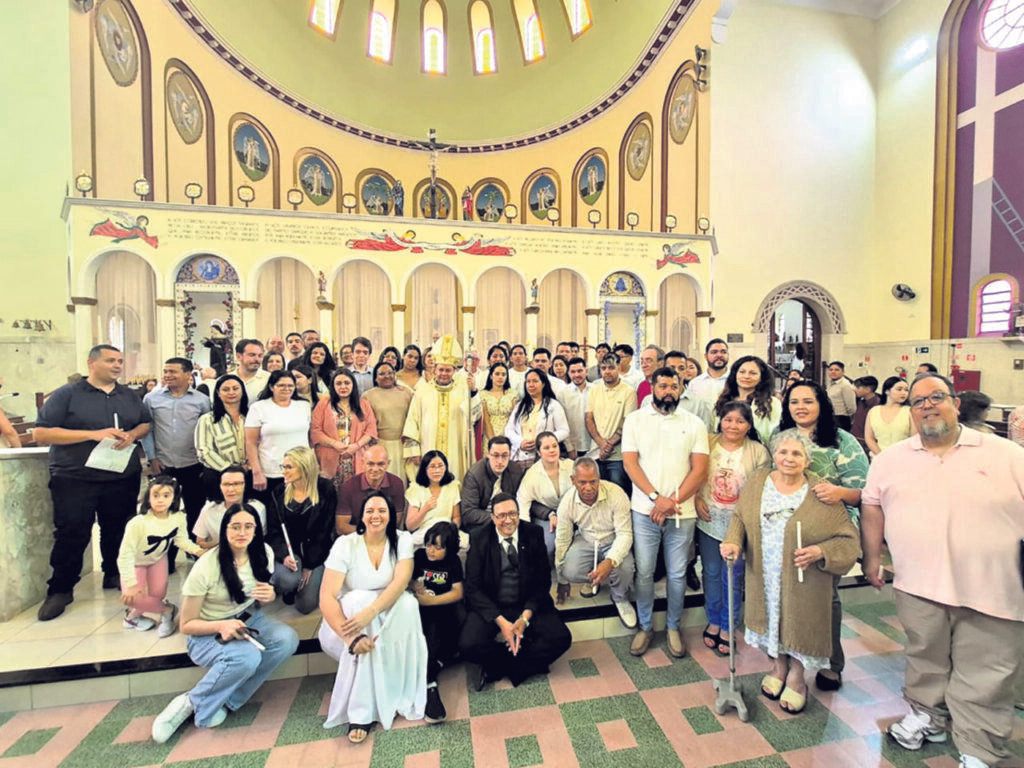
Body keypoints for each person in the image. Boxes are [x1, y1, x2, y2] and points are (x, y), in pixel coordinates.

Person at [861, 373, 1024, 768]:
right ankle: (927, 715)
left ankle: (979, 748)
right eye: (918, 402)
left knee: (987, 669)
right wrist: (871, 558)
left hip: (995, 585)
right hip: (919, 583)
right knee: (925, 655)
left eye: (937, 397)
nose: (928, 406)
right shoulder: (891, 460)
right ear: (911, 412)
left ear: (956, 403)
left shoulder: (1006, 454)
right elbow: (871, 507)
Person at [720, 430, 860, 715]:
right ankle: (778, 666)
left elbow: (847, 540)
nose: (789, 459)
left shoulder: (820, 492)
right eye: (783, 452)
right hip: (765, 570)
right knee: (771, 618)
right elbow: (740, 517)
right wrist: (733, 540)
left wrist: (820, 552)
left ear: (807, 461)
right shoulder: (759, 481)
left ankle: (797, 678)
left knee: (799, 622)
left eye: (797, 454)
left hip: (803, 577)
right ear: (774, 455)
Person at [151, 504, 299, 743]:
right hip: (207, 630)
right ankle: (189, 703)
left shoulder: (264, 553)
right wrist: (221, 626)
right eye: (235, 527)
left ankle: (229, 700)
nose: (242, 532)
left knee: (286, 639)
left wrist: (270, 595)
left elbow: (257, 596)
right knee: (247, 657)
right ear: (224, 529)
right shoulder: (206, 567)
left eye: (248, 527)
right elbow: (186, 624)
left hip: (248, 619)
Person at [35, 344, 151, 620]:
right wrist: (92, 434)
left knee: (119, 528)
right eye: (111, 360)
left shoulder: (129, 396)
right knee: (72, 532)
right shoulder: (68, 394)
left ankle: (113, 573)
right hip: (76, 477)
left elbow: (145, 424)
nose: (117, 365)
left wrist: (132, 435)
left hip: (120, 475)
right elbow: (41, 433)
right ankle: (61, 589)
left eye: (120, 361)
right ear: (92, 363)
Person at [777, 380, 869, 691]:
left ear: (821, 405)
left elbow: (864, 492)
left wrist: (839, 491)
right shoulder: (780, 438)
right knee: (787, 597)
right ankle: (790, 657)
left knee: (824, 600)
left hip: (827, 532)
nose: (800, 407)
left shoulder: (841, 441)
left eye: (808, 401)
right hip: (786, 532)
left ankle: (831, 662)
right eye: (794, 402)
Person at [318, 492, 428, 742]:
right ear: (361, 516)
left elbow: (401, 582)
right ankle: (361, 712)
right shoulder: (345, 545)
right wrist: (351, 638)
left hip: (382, 616)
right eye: (370, 511)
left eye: (382, 510)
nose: (376, 515)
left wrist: (372, 611)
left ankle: (396, 693)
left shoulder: (402, 540)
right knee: (358, 600)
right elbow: (326, 596)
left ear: (391, 516)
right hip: (348, 625)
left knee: (409, 604)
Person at [622, 366, 709, 658]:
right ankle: (645, 627)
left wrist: (672, 501)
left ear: (681, 388)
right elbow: (630, 464)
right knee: (644, 572)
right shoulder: (635, 421)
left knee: (676, 573)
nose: (668, 391)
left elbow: (699, 469)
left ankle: (673, 627)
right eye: (663, 386)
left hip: (681, 513)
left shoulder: (694, 423)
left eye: (674, 386)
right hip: (644, 510)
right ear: (652, 387)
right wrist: (656, 498)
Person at [458, 493, 572, 689]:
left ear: (519, 514)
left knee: (561, 638)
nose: (508, 520)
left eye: (512, 514)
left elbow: (543, 581)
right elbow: (473, 588)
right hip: (493, 605)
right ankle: (520, 665)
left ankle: (499, 668)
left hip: (526, 602)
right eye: (501, 516)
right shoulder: (479, 538)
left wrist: (525, 618)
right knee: (468, 645)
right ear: (493, 518)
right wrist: (501, 622)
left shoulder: (533, 533)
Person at [695, 401, 770, 657]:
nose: (733, 426)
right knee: (712, 572)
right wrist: (696, 498)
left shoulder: (758, 451)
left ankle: (728, 625)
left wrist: (744, 517)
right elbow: (692, 473)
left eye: (740, 421)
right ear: (720, 421)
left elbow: (761, 489)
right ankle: (713, 620)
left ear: (749, 425)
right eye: (728, 420)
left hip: (739, 524)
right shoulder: (707, 442)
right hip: (708, 519)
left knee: (734, 575)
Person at [553, 457, 636, 627]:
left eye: (593, 481)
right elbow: (562, 540)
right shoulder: (567, 503)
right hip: (587, 540)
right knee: (569, 570)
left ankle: (620, 597)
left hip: (613, 540)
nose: (589, 487)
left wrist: (610, 561)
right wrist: (562, 579)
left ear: (599, 478)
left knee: (626, 568)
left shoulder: (617, 494)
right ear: (573, 481)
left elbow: (625, 534)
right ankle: (595, 578)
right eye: (582, 482)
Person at [117, 475, 203, 636]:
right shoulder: (138, 523)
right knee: (134, 597)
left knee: (157, 594)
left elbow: (181, 540)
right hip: (136, 562)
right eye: (156, 495)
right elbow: (125, 555)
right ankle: (168, 611)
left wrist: (198, 551)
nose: (160, 500)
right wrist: (131, 583)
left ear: (174, 497)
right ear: (148, 497)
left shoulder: (178, 518)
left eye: (166, 495)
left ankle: (132, 617)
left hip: (158, 559)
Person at [142, 357, 212, 547]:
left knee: (195, 507)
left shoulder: (202, 400)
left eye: (173, 371)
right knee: (163, 508)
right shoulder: (151, 398)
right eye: (165, 371)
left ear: (188, 375)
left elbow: (207, 430)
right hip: (163, 463)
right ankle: (165, 552)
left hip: (193, 462)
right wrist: (152, 458)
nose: (167, 375)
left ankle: (192, 547)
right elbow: (147, 430)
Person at [265, 446, 336, 613]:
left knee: (305, 606)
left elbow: (324, 533)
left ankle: (302, 586)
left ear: (304, 467)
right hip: (291, 551)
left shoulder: (326, 489)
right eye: (283, 467)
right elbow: (274, 532)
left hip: (315, 552)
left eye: (289, 467)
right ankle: (288, 586)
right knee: (287, 580)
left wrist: (310, 565)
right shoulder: (278, 492)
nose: (284, 471)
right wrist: (283, 556)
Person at [403, 335, 480, 480]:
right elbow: (412, 421)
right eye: (441, 370)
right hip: (428, 446)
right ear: (434, 370)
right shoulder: (422, 391)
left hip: (455, 449)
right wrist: (414, 450)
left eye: (448, 370)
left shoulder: (463, 390)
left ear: (454, 371)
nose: (444, 374)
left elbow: (474, 417)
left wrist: (474, 391)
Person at [411, 521, 466, 724]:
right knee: (429, 632)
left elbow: (458, 592)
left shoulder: (453, 562)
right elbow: (407, 579)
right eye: (429, 545)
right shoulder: (418, 557)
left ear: (449, 549)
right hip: (422, 611)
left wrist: (432, 600)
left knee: (439, 630)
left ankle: (430, 675)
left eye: (438, 547)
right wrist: (415, 587)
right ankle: (431, 678)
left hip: (444, 610)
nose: (431, 551)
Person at [244, 370, 312, 506]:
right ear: (271, 387)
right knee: (273, 514)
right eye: (281, 385)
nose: (286, 389)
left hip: (301, 470)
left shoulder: (304, 406)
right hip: (271, 472)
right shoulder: (258, 408)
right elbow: (250, 442)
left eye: (290, 385)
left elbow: (309, 438)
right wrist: (257, 472)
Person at [313, 368, 378, 494]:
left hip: (357, 456)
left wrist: (356, 446)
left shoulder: (363, 404)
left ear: (353, 384)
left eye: (347, 383)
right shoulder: (324, 404)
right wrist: (335, 444)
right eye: (339, 383)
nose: (343, 386)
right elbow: (315, 431)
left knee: (356, 495)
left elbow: (371, 430)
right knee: (332, 496)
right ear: (333, 386)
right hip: (331, 456)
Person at [516, 431, 573, 563]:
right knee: (545, 548)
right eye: (546, 448)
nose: (552, 450)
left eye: (555, 446)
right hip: (547, 517)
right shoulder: (532, 475)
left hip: (572, 514)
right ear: (538, 451)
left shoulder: (571, 466)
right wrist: (526, 537)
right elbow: (523, 505)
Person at [586, 353, 638, 494]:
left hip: (617, 455)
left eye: (611, 367)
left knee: (618, 492)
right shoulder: (594, 390)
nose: (607, 371)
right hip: (596, 452)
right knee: (598, 493)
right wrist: (601, 444)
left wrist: (608, 445)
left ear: (618, 367)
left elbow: (628, 422)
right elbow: (589, 418)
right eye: (603, 368)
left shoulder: (628, 392)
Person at [194, 374, 248, 501]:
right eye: (226, 389)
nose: (231, 392)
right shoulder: (208, 419)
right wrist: (230, 469)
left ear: (242, 391)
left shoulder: (251, 416)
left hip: (248, 474)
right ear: (218, 393)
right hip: (217, 475)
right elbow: (204, 451)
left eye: (235, 388)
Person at [461, 435, 526, 534]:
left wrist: (549, 514)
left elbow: (525, 499)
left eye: (504, 455)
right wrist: (499, 518)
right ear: (488, 454)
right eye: (495, 455)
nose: (500, 461)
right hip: (482, 522)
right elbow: (468, 512)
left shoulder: (515, 470)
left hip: (509, 520)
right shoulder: (475, 475)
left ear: (510, 455)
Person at [335, 444, 406, 535]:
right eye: (370, 463)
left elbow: (395, 521)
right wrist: (371, 533)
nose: (375, 469)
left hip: (384, 537)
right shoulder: (348, 487)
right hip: (356, 537)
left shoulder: (396, 484)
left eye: (380, 464)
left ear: (388, 464)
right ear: (363, 463)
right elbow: (341, 527)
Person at [506, 368, 569, 467]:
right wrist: (520, 442)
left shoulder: (553, 405)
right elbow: (509, 430)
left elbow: (564, 430)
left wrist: (543, 441)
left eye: (535, 381)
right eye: (528, 381)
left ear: (543, 384)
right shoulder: (520, 406)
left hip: (543, 457)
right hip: (521, 457)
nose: (531, 385)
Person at [713, 355, 781, 445]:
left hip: (758, 452)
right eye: (742, 372)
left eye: (753, 373)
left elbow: (773, 435)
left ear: (762, 377)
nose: (746, 376)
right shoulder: (724, 399)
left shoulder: (771, 403)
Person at [193, 465, 266, 549]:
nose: (231, 489)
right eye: (226, 484)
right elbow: (200, 542)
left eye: (236, 484)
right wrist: (224, 543)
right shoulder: (208, 509)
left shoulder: (258, 508)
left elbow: (259, 541)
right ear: (220, 486)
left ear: (245, 485)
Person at [405, 450, 466, 549]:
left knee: (465, 543)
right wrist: (425, 509)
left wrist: (450, 531)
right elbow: (410, 526)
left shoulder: (453, 486)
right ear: (425, 468)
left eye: (441, 466)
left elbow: (456, 517)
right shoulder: (416, 488)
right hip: (424, 532)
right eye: (432, 466)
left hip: (446, 530)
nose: (437, 471)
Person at [363, 361, 413, 480]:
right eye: (382, 373)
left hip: (403, 444)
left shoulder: (406, 392)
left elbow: (413, 418)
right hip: (381, 443)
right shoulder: (368, 396)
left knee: (403, 480)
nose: (387, 376)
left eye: (390, 373)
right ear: (375, 377)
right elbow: (366, 423)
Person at [864, 376, 915, 456]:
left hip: (903, 457)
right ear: (887, 391)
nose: (903, 393)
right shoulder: (874, 411)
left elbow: (914, 438)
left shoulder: (910, 412)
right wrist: (881, 455)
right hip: (878, 457)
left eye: (906, 390)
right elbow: (869, 437)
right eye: (899, 389)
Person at [480, 361, 518, 442]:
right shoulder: (483, 395)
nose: (500, 377)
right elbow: (486, 421)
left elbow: (515, 419)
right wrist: (493, 441)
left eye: (503, 374)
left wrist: (509, 438)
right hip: (489, 435)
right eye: (497, 374)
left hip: (508, 435)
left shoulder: (512, 394)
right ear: (491, 376)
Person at [563, 356, 592, 456]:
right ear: (568, 373)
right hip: (573, 447)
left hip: (594, 445)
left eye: (580, 371)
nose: (576, 375)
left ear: (586, 371)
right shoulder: (563, 393)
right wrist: (569, 447)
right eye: (573, 372)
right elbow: (562, 422)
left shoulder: (595, 390)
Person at [688, 339, 730, 405]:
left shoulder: (736, 381)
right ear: (705, 356)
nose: (719, 355)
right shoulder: (695, 383)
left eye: (723, 352)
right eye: (714, 352)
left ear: (728, 355)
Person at [233, 339, 270, 403]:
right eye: (252, 355)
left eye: (260, 356)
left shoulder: (269, 379)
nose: (257, 359)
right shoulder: (226, 380)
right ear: (238, 356)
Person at [825, 361, 857, 432]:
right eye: (831, 370)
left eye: (837, 370)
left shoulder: (845, 385)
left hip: (841, 419)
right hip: (831, 417)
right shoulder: (830, 383)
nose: (833, 372)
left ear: (843, 372)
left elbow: (852, 407)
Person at [850, 375, 880, 447]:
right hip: (856, 437)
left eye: (858, 387)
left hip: (866, 441)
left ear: (867, 389)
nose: (854, 389)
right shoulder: (861, 400)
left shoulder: (877, 405)